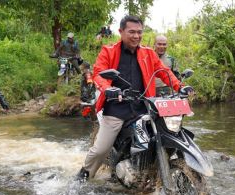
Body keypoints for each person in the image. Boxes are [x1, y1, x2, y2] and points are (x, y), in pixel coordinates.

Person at [76, 15, 193, 181]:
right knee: (101, 149)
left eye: (139, 32)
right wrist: (108, 89)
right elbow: (98, 74)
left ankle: (152, 172)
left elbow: (164, 72)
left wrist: (180, 87)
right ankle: (84, 175)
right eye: (132, 32)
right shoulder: (108, 51)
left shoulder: (148, 53)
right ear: (121, 31)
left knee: (162, 133)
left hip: (144, 107)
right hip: (116, 108)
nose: (136, 36)